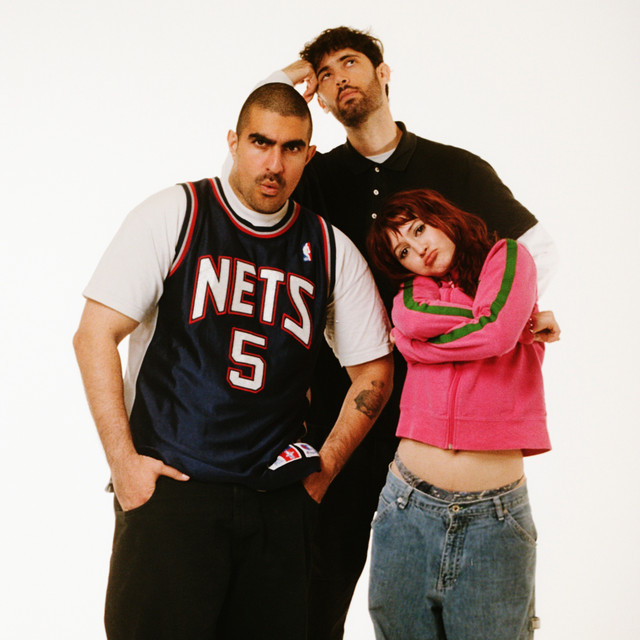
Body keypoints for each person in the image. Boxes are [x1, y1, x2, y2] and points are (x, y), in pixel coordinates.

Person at [260, 26, 560, 639]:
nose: (339, 78)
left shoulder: (455, 168)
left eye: (350, 63)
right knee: (317, 586)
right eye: (324, 73)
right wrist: (281, 82)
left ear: (383, 71)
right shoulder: (315, 177)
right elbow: (246, 195)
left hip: (443, 420)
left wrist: (516, 317)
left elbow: (535, 249)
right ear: (317, 95)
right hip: (343, 409)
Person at [73, 82, 394, 640]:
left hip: (277, 501)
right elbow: (94, 334)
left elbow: (374, 370)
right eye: (260, 143)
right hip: (173, 488)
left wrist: (323, 469)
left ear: (309, 154)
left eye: (291, 148)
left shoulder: (329, 247)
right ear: (233, 142)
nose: (274, 164)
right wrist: (124, 465)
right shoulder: (176, 213)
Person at [365, 188, 553, 639]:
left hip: (495, 519)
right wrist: (504, 322)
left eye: (419, 229)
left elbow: (496, 333)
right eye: (403, 252)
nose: (419, 249)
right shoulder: (415, 290)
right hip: (406, 509)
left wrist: (415, 347)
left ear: (440, 216)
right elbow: (413, 321)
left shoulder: (509, 257)